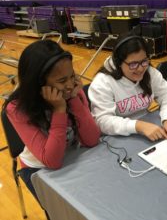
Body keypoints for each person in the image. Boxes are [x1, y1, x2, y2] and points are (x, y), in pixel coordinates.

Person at [2, 40, 101, 198]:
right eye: (62, 81)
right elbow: (52, 161)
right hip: (40, 169)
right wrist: (59, 110)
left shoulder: (73, 90)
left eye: (71, 76)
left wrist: (74, 99)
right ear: (39, 83)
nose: (70, 85)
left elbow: (92, 139)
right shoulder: (16, 108)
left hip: (73, 156)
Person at [89, 34, 167, 142]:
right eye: (133, 64)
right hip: (118, 136)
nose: (140, 69)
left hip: (146, 127)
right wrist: (138, 126)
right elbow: (103, 121)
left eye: (144, 61)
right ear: (119, 62)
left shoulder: (150, 73)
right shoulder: (102, 83)